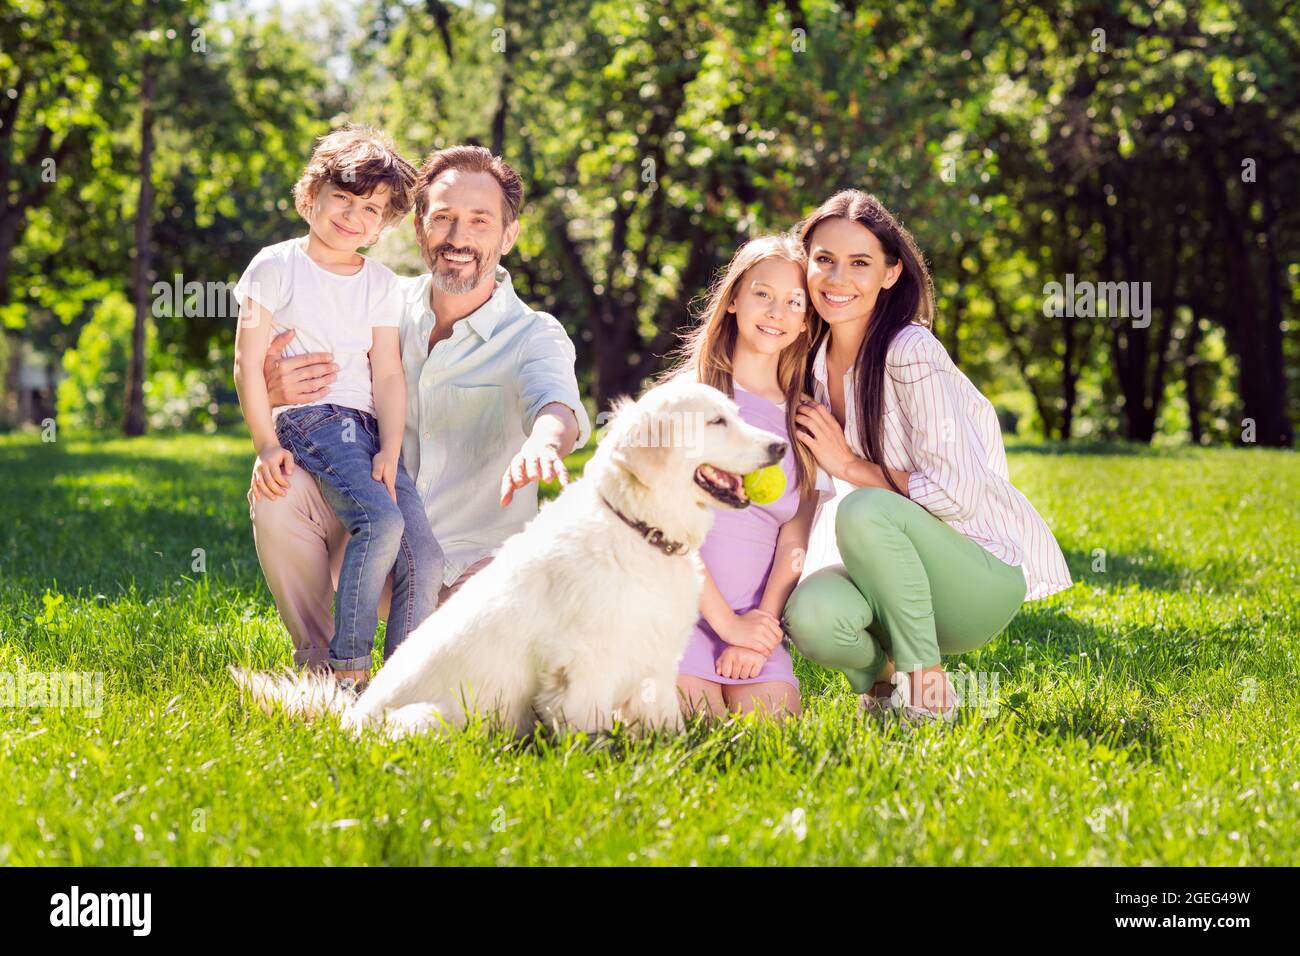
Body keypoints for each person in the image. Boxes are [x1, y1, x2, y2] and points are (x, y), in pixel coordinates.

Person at [247, 145, 591, 672]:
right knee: (280, 486)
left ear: (508, 236)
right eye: (444, 218)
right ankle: (321, 666)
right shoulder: (375, 299)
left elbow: (555, 400)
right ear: (418, 228)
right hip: (373, 550)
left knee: (475, 686)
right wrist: (274, 391)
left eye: (479, 221)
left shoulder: (533, 333)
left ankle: (401, 678)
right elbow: (313, 392)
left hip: (477, 567)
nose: (458, 238)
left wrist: (545, 441)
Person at [783, 189, 1073, 721]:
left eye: (860, 263)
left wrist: (849, 466)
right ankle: (886, 687)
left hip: (974, 577)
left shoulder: (910, 351)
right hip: (887, 575)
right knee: (809, 613)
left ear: (890, 274)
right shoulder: (810, 363)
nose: (837, 278)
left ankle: (927, 692)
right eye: (823, 260)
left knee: (863, 506)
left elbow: (956, 493)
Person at [233, 125, 439, 692]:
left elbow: (389, 373)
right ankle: (346, 672)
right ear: (311, 196)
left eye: (371, 208)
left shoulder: (382, 284)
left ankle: (400, 688)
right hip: (313, 420)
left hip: (371, 431)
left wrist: (391, 451)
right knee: (381, 521)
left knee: (424, 558)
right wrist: (266, 443)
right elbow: (248, 365)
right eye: (343, 198)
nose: (352, 215)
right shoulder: (275, 266)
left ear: (383, 226)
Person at [664, 234, 833, 719]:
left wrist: (762, 624)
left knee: (771, 739)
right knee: (697, 734)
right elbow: (665, 531)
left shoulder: (806, 419)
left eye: (793, 301)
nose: (776, 310)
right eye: (763, 293)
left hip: (754, 625)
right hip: (676, 613)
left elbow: (795, 531)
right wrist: (725, 625)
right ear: (734, 299)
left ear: (806, 322)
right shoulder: (689, 399)